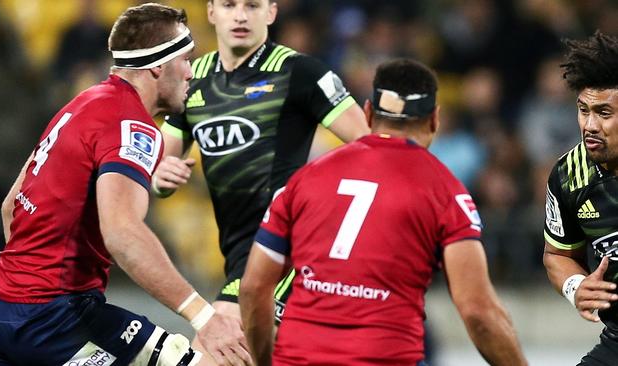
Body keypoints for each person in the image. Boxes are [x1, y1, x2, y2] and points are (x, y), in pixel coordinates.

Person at [0, 3, 251, 366]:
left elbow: (11, 206)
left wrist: (28, 286)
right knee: (218, 359)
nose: (190, 74)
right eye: (185, 60)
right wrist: (204, 317)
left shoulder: (82, 103)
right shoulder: (131, 125)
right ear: (157, 66)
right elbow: (122, 233)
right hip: (54, 320)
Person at [239, 58, 528, 365]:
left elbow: (254, 287)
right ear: (434, 120)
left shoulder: (305, 178)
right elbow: (478, 311)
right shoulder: (446, 192)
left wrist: (264, 361)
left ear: (367, 112)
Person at [152, 0, 369, 353]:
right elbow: (157, 167)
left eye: (252, 5)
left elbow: (372, 149)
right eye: (229, 5)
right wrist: (160, 178)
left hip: (290, 250)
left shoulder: (301, 73)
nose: (240, 15)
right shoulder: (193, 80)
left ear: (270, 13)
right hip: (240, 254)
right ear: (211, 13)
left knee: (213, 353)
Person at [543, 31, 618, 365]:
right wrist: (576, 286)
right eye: (583, 110)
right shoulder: (569, 175)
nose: (589, 125)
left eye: (604, 113)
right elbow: (557, 254)